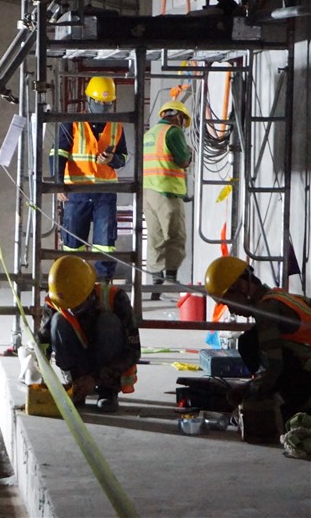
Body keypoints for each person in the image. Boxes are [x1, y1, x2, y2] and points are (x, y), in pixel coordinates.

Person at [204, 256, 311, 420]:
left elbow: (274, 365)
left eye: (227, 303)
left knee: (249, 343)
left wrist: (251, 396)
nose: (231, 311)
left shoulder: (266, 310)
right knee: (252, 339)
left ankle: (295, 407)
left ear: (240, 286)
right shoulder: (280, 296)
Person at [37, 255, 142, 412]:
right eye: (67, 306)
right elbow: (43, 342)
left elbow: (133, 352)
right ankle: (76, 385)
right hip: (78, 363)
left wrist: (95, 378)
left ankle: (107, 391)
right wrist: (42, 379)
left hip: (106, 366)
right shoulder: (57, 301)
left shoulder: (115, 298)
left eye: (76, 305)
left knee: (109, 321)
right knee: (59, 320)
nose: (71, 309)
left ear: (89, 293)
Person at [53, 76, 129, 282]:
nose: (103, 108)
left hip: (105, 193)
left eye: (107, 104)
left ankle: (104, 287)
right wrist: (58, 183)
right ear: (88, 100)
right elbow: (58, 153)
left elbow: (123, 158)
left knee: (105, 243)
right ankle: (73, 284)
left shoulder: (116, 126)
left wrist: (112, 159)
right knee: (73, 243)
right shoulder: (72, 123)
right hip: (76, 192)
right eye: (99, 103)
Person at [143, 99, 193, 300]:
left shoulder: (149, 135)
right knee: (175, 236)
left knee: (155, 239)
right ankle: (171, 278)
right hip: (167, 193)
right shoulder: (173, 132)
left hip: (148, 193)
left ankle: (156, 280)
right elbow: (183, 160)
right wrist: (190, 153)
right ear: (178, 117)